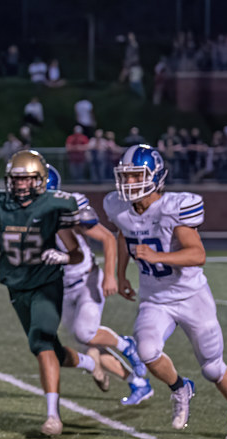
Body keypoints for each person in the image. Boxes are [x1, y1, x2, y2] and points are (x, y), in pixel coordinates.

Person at [105, 145, 227, 439]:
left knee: (212, 367)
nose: (129, 183)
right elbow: (124, 233)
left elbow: (197, 254)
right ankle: (180, 387)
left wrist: (159, 258)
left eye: (136, 176)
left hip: (191, 297)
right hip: (155, 298)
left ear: (155, 176)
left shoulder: (174, 207)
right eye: (126, 176)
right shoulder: (119, 208)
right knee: (146, 351)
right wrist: (120, 274)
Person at [0, 150, 97, 437]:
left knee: (41, 342)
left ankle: (53, 415)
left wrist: (63, 257)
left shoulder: (52, 207)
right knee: (46, 348)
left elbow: (77, 254)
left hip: (46, 283)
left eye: (27, 179)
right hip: (17, 286)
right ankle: (91, 362)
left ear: (40, 180)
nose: (20, 185)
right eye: (16, 179)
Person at [45, 165, 153, 405]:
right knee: (89, 340)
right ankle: (138, 383)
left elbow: (106, 237)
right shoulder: (23, 213)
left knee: (87, 333)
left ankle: (128, 345)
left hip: (85, 279)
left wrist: (111, 276)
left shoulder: (69, 207)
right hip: (61, 287)